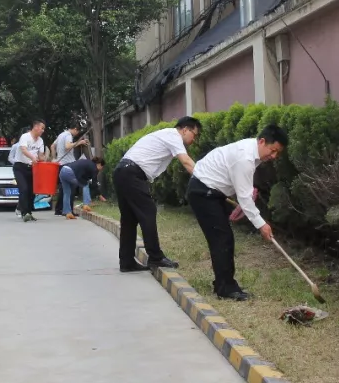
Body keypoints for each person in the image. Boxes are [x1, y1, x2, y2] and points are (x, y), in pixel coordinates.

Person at [186, 124, 289, 301]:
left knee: (223, 237)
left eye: (277, 153)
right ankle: (225, 288)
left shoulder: (252, 151)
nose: (273, 156)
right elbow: (245, 199)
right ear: (262, 141)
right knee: (222, 238)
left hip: (211, 190)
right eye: (273, 150)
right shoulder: (245, 158)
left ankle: (223, 283)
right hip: (203, 192)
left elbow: (242, 191)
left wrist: (244, 198)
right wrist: (261, 225)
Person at [112, 116, 201, 272]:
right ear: (185, 130)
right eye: (194, 134)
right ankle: (156, 257)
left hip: (122, 172)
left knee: (129, 219)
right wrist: (205, 178)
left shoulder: (166, 135)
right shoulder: (174, 136)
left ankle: (127, 262)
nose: (194, 139)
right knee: (148, 212)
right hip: (132, 173)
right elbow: (186, 162)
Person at [13, 120, 46, 222]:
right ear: (35, 127)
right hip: (20, 167)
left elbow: (40, 155)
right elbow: (24, 150)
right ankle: (24, 213)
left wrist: (44, 160)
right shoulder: (25, 137)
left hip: (32, 168)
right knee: (24, 189)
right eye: (42, 128)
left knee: (32, 192)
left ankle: (29, 212)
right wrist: (32, 157)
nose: (43, 131)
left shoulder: (40, 141)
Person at [51, 122, 87, 215]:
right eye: (77, 132)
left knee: (63, 188)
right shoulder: (68, 135)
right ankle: (68, 210)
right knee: (71, 188)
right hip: (68, 165)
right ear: (75, 129)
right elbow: (68, 146)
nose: (76, 134)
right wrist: (79, 142)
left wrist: (54, 158)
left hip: (60, 164)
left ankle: (59, 209)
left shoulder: (61, 135)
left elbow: (52, 146)